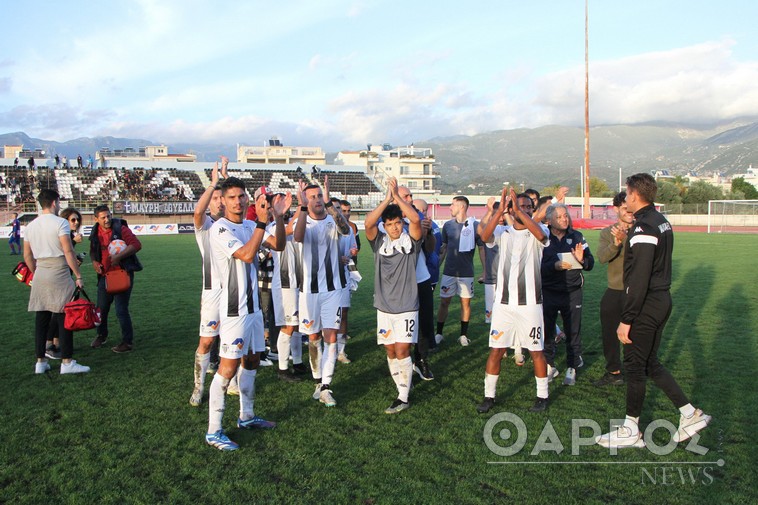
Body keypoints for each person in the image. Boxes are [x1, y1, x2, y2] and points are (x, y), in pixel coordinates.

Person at [596, 173, 710, 448]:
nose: (625, 197)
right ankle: (689, 414)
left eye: (626, 192)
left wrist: (627, 318)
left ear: (634, 194)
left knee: (634, 365)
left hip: (647, 303)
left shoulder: (644, 226)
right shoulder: (660, 221)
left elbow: (639, 277)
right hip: (659, 300)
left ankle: (631, 430)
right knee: (648, 363)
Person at [204, 177, 289, 451]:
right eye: (232, 197)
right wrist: (263, 222)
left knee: (252, 360)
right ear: (224, 201)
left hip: (253, 309)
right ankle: (214, 431)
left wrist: (277, 217)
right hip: (233, 310)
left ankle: (247, 416)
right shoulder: (219, 229)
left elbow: (278, 246)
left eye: (241, 196)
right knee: (227, 368)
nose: (238, 201)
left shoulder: (252, 225)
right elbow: (246, 254)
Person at [476, 188, 549, 413]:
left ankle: (542, 396)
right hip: (504, 305)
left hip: (530, 305)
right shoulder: (503, 232)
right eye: (520, 206)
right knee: (496, 350)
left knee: (536, 351)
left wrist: (518, 210)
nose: (524, 210)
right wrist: (501, 211)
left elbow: (541, 236)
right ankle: (489, 396)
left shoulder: (539, 230)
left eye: (528, 207)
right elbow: (484, 237)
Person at [365, 178, 422, 413]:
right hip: (384, 307)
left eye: (398, 223)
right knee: (390, 350)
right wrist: (386, 199)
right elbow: (368, 223)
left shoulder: (412, 241)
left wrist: (397, 197)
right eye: (390, 224)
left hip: (407, 305)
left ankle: (403, 396)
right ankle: (402, 385)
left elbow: (416, 219)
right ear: (385, 227)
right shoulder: (379, 242)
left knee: (402, 350)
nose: (395, 227)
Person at [293, 176, 351, 407]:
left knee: (331, 336)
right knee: (313, 337)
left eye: (319, 196)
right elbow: (297, 237)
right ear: (306, 201)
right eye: (313, 197)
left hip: (333, 289)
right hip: (308, 290)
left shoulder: (332, 219)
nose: (317, 200)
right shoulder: (303, 221)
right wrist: (301, 209)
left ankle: (326, 385)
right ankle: (318, 381)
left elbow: (346, 229)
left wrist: (329, 204)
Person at [23, 189, 90, 375]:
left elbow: (27, 255)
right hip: (59, 271)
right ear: (55, 202)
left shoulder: (31, 225)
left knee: (41, 318)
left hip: (40, 272)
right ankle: (67, 362)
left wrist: (35, 272)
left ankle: (40, 362)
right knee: (64, 317)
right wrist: (78, 276)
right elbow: (68, 252)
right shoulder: (60, 222)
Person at [541, 203, 594, 386]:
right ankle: (549, 365)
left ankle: (572, 366)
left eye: (566, 215)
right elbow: (535, 265)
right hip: (548, 292)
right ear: (549, 220)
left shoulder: (576, 236)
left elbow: (590, 262)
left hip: (572, 292)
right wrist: (553, 266)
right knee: (547, 331)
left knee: (573, 330)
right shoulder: (542, 237)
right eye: (560, 216)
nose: (565, 219)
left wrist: (582, 260)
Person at [189, 161, 226, 407]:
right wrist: (213, 183)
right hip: (213, 294)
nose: (220, 202)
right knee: (206, 341)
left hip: (237, 294)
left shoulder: (237, 225)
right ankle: (198, 387)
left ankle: (229, 382)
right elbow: (197, 214)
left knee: (235, 341)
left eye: (222, 198)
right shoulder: (207, 228)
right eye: (216, 198)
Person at [478, 199, 526, 366]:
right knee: (496, 317)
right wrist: (491, 211)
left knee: (516, 315)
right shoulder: (496, 230)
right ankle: (503, 346)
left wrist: (506, 214)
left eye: (504, 212)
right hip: (492, 279)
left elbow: (516, 232)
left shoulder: (512, 229)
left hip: (512, 280)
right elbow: (480, 231)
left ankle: (518, 350)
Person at [89, 205, 143, 353]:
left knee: (121, 310)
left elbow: (137, 245)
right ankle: (101, 335)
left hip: (122, 273)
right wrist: (94, 262)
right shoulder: (95, 231)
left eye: (108, 216)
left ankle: (127, 342)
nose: (107, 220)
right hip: (104, 276)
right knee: (101, 309)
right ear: (96, 219)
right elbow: (93, 250)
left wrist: (119, 256)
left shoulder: (120, 229)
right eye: (103, 217)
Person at [593, 192, 633, 387]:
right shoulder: (607, 232)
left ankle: (636, 369)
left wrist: (626, 238)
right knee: (609, 332)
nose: (629, 212)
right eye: (625, 208)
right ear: (616, 209)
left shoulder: (640, 231)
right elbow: (602, 258)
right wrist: (616, 244)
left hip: (637, 291)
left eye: (631, 208)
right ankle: (614, 371)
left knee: (635, 333)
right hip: (615, 289)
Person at [270, 206, 308, 382]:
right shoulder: (272, 227)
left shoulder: (295, 223)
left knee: (298, 325)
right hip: (285, 283)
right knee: (288, 326)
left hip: (298, 282)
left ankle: (298, 362)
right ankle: (283, 368)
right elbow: (286, 231)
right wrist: (302, 207)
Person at [436, 195, 478, 346]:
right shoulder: (447, 225)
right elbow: (444, 248)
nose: (450, 208)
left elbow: (481, 249)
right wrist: (437, 266)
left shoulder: (475, 225)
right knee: (444, 302)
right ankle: (439, 333)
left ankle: (463, 335)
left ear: (462, 207)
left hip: (467, 273)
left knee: (465, 304)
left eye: (452, 205)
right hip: (449, 272)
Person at [44, 207, 85, 359]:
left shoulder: (68, 234)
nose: (76, 222)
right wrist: (73, 242)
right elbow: (62, 252)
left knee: (60, 310)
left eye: (77, 220)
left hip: (62, 274)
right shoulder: (64, 234)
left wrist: (76, 261)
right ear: (65, 221)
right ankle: (49, 344)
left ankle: (56, 343)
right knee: (58, 311)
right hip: (57, 276)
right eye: (72, 220)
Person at [411, 198, 440, 379]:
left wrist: (427, 233)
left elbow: (430, 249)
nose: (409, 200)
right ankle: (404, 364)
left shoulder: (420, 218)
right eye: (406, 197)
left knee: (423, 322)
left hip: (422, 279)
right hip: (399, 283)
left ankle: (421, 360)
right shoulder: (392, 221)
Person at [333, 198, 358, 364]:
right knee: (327, 317)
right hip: (325, 279)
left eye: (339, 209)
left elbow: (354, 249)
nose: (340, 213)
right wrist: (335, 257)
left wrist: (352, 252)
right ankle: (328, 349)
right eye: (335, 209)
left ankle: (341, 351)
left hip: (344, 276)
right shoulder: (324, 227)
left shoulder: (349, 229)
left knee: (343, 313)